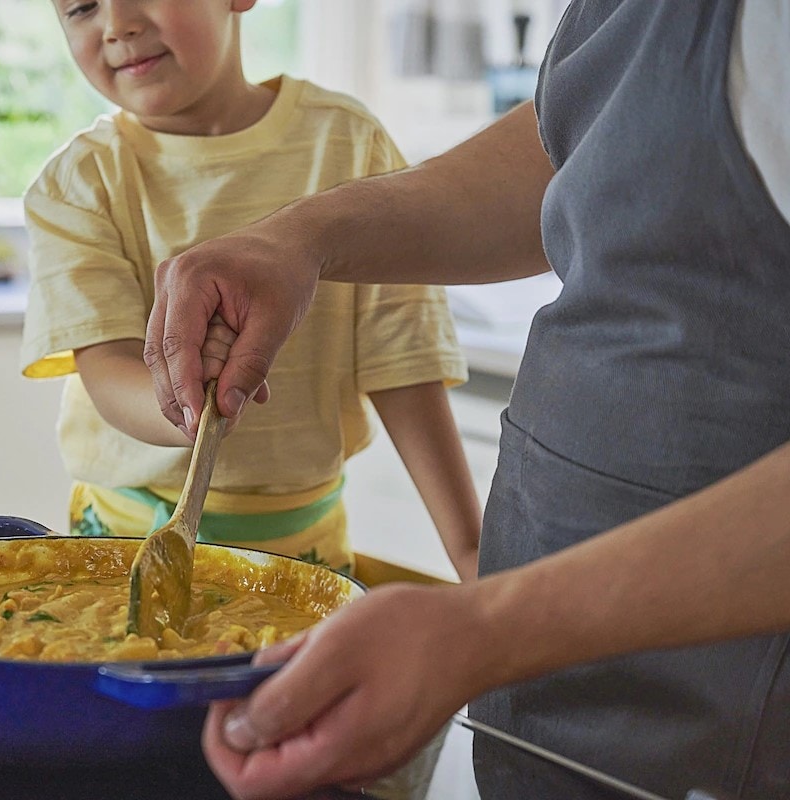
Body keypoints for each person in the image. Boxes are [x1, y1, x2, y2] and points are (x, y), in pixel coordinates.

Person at [143, 1, 790, 799]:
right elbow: (576, 149)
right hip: (556, 698)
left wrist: (485, 630)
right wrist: (299, 238)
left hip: (733, 726)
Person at [21, 0, 483, 591]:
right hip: (124, 548)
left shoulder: (346, 142)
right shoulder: (79, 183)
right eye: (81, 7)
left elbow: (405, 362)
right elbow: (105, 369)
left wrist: (471, 550)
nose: (116, 26)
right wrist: (192, 403)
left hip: (310, 553)